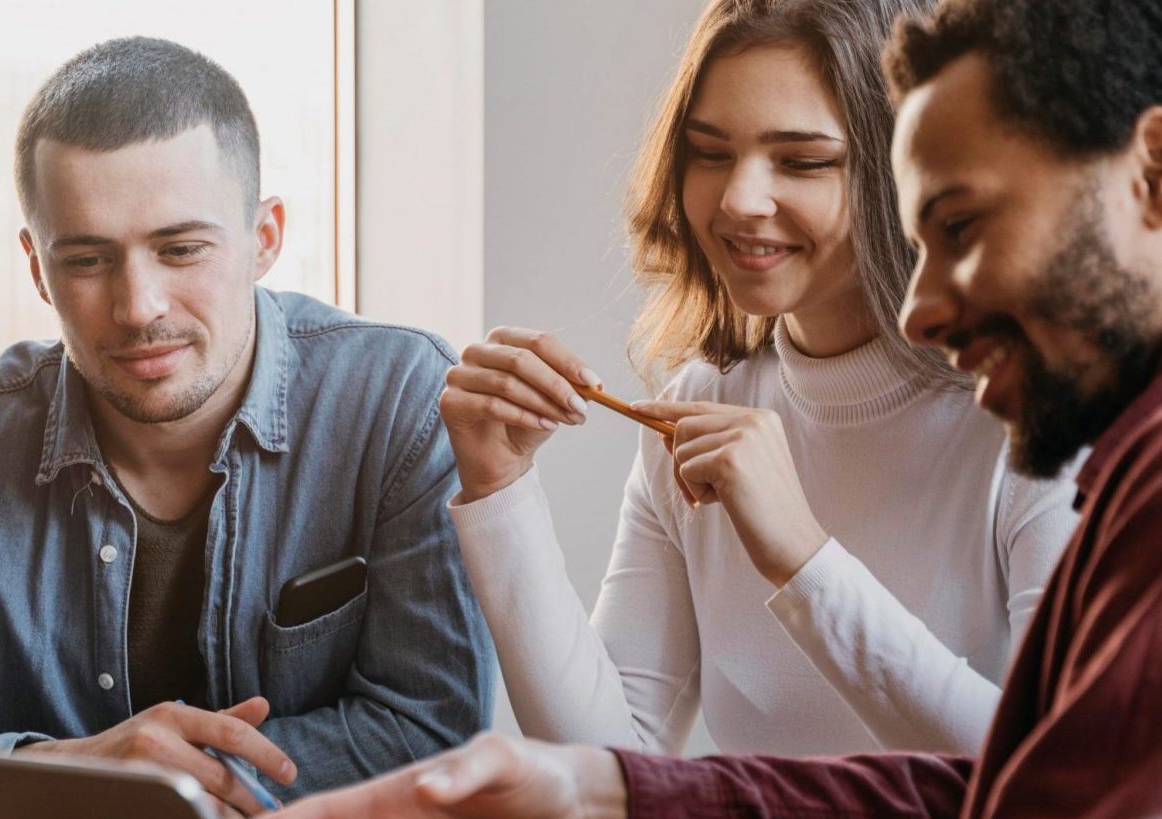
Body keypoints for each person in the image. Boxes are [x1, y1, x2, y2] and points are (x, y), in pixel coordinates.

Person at [125, 0, 1162, 819]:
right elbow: (1009, 817)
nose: (928, 304)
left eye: (960, 223)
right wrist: (606, 805)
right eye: (711, 149)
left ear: (1158, 171)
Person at [0, 37, 495, 810]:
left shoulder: (399, 399)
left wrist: (153, 778)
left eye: (182, 248)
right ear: (36, 266)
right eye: (88, 261)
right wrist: (94, 767)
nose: (139, 307)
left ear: (265, 238)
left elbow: (433, 734)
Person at [440, 0, 1078, 756]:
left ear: (909, 174)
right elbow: (610, 766)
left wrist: (803, 557)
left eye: (803, 160)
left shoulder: (1036, 420)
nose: (738, 201)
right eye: (709, 153)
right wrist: (501, 491)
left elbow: (1049, 770)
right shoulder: (698, 408)